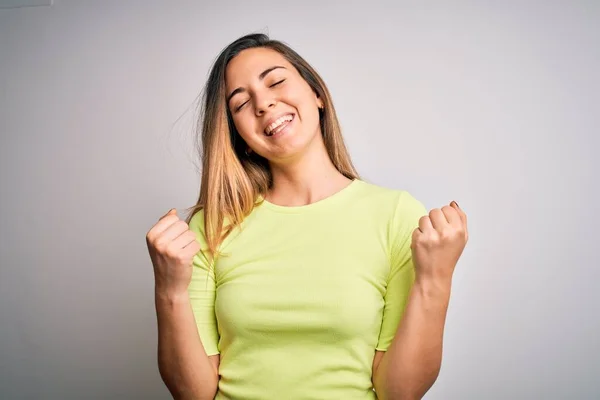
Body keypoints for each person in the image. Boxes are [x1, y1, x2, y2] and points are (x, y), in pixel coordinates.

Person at [146, 33, 469, 400]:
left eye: (276, 81)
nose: (264, 103)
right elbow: (193, 394)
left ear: (316, 93)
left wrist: (436, 278)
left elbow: (399, 392)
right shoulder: (212, 226)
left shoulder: (395, 215)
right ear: (238, 134)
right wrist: (169, 290)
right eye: (240, 103)